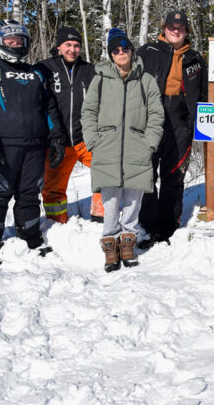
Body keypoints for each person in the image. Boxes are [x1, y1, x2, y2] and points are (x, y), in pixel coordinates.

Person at [0, 19, 66, 263]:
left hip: (35, 145)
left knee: (29, 194)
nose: (15, 44)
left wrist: (56, 137)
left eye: (19, 40)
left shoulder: (36, 73)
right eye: (10, 40)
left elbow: (49, 108)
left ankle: (30, 237)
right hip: (2, 146)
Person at [81, 28, 164, 272]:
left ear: (131, 51)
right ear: (110, 54)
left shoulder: (146, 80)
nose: (120, 53)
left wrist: (149, 142)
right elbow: (88, 112)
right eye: (115, 50)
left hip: (137, 148)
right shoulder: (100, 79)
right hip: (107, 147)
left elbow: (156, 114)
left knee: (132, 200)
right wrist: (93, 140)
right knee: (111, 200)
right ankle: (110, 243)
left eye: (124, 49)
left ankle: (128, 241)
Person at [136, 10, 208, 249]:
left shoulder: (195, 59)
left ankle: (167, 227)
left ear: (186, 31)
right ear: (164, 28)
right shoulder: (148, 52)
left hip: (180, 119)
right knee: (146, 174)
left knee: (174, 175)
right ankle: (147, 225)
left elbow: (205, 93)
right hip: (150, 117)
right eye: (171, 26)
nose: (176, 31)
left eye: (181, 28)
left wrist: (199, 122)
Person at [36, 27, 103, 224]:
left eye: (76, 45)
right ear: (59, 46)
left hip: (86, 139)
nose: (72, 49)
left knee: (107, 171)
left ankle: (101, 215)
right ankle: (57, 224)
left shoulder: (90, 70)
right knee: (53, 188)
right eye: (68, 45)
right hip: (58, 142)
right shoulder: (43, 69)